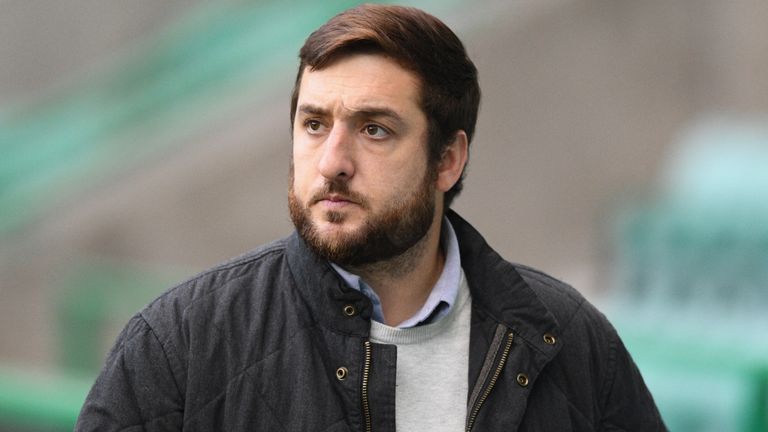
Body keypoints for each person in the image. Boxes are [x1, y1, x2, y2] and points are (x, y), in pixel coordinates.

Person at [76, 4, 665, 431]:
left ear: (448, 159)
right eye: (314, 125)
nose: (332, 163)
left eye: (374, 129)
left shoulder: (569, 341)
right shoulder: (180, 344)